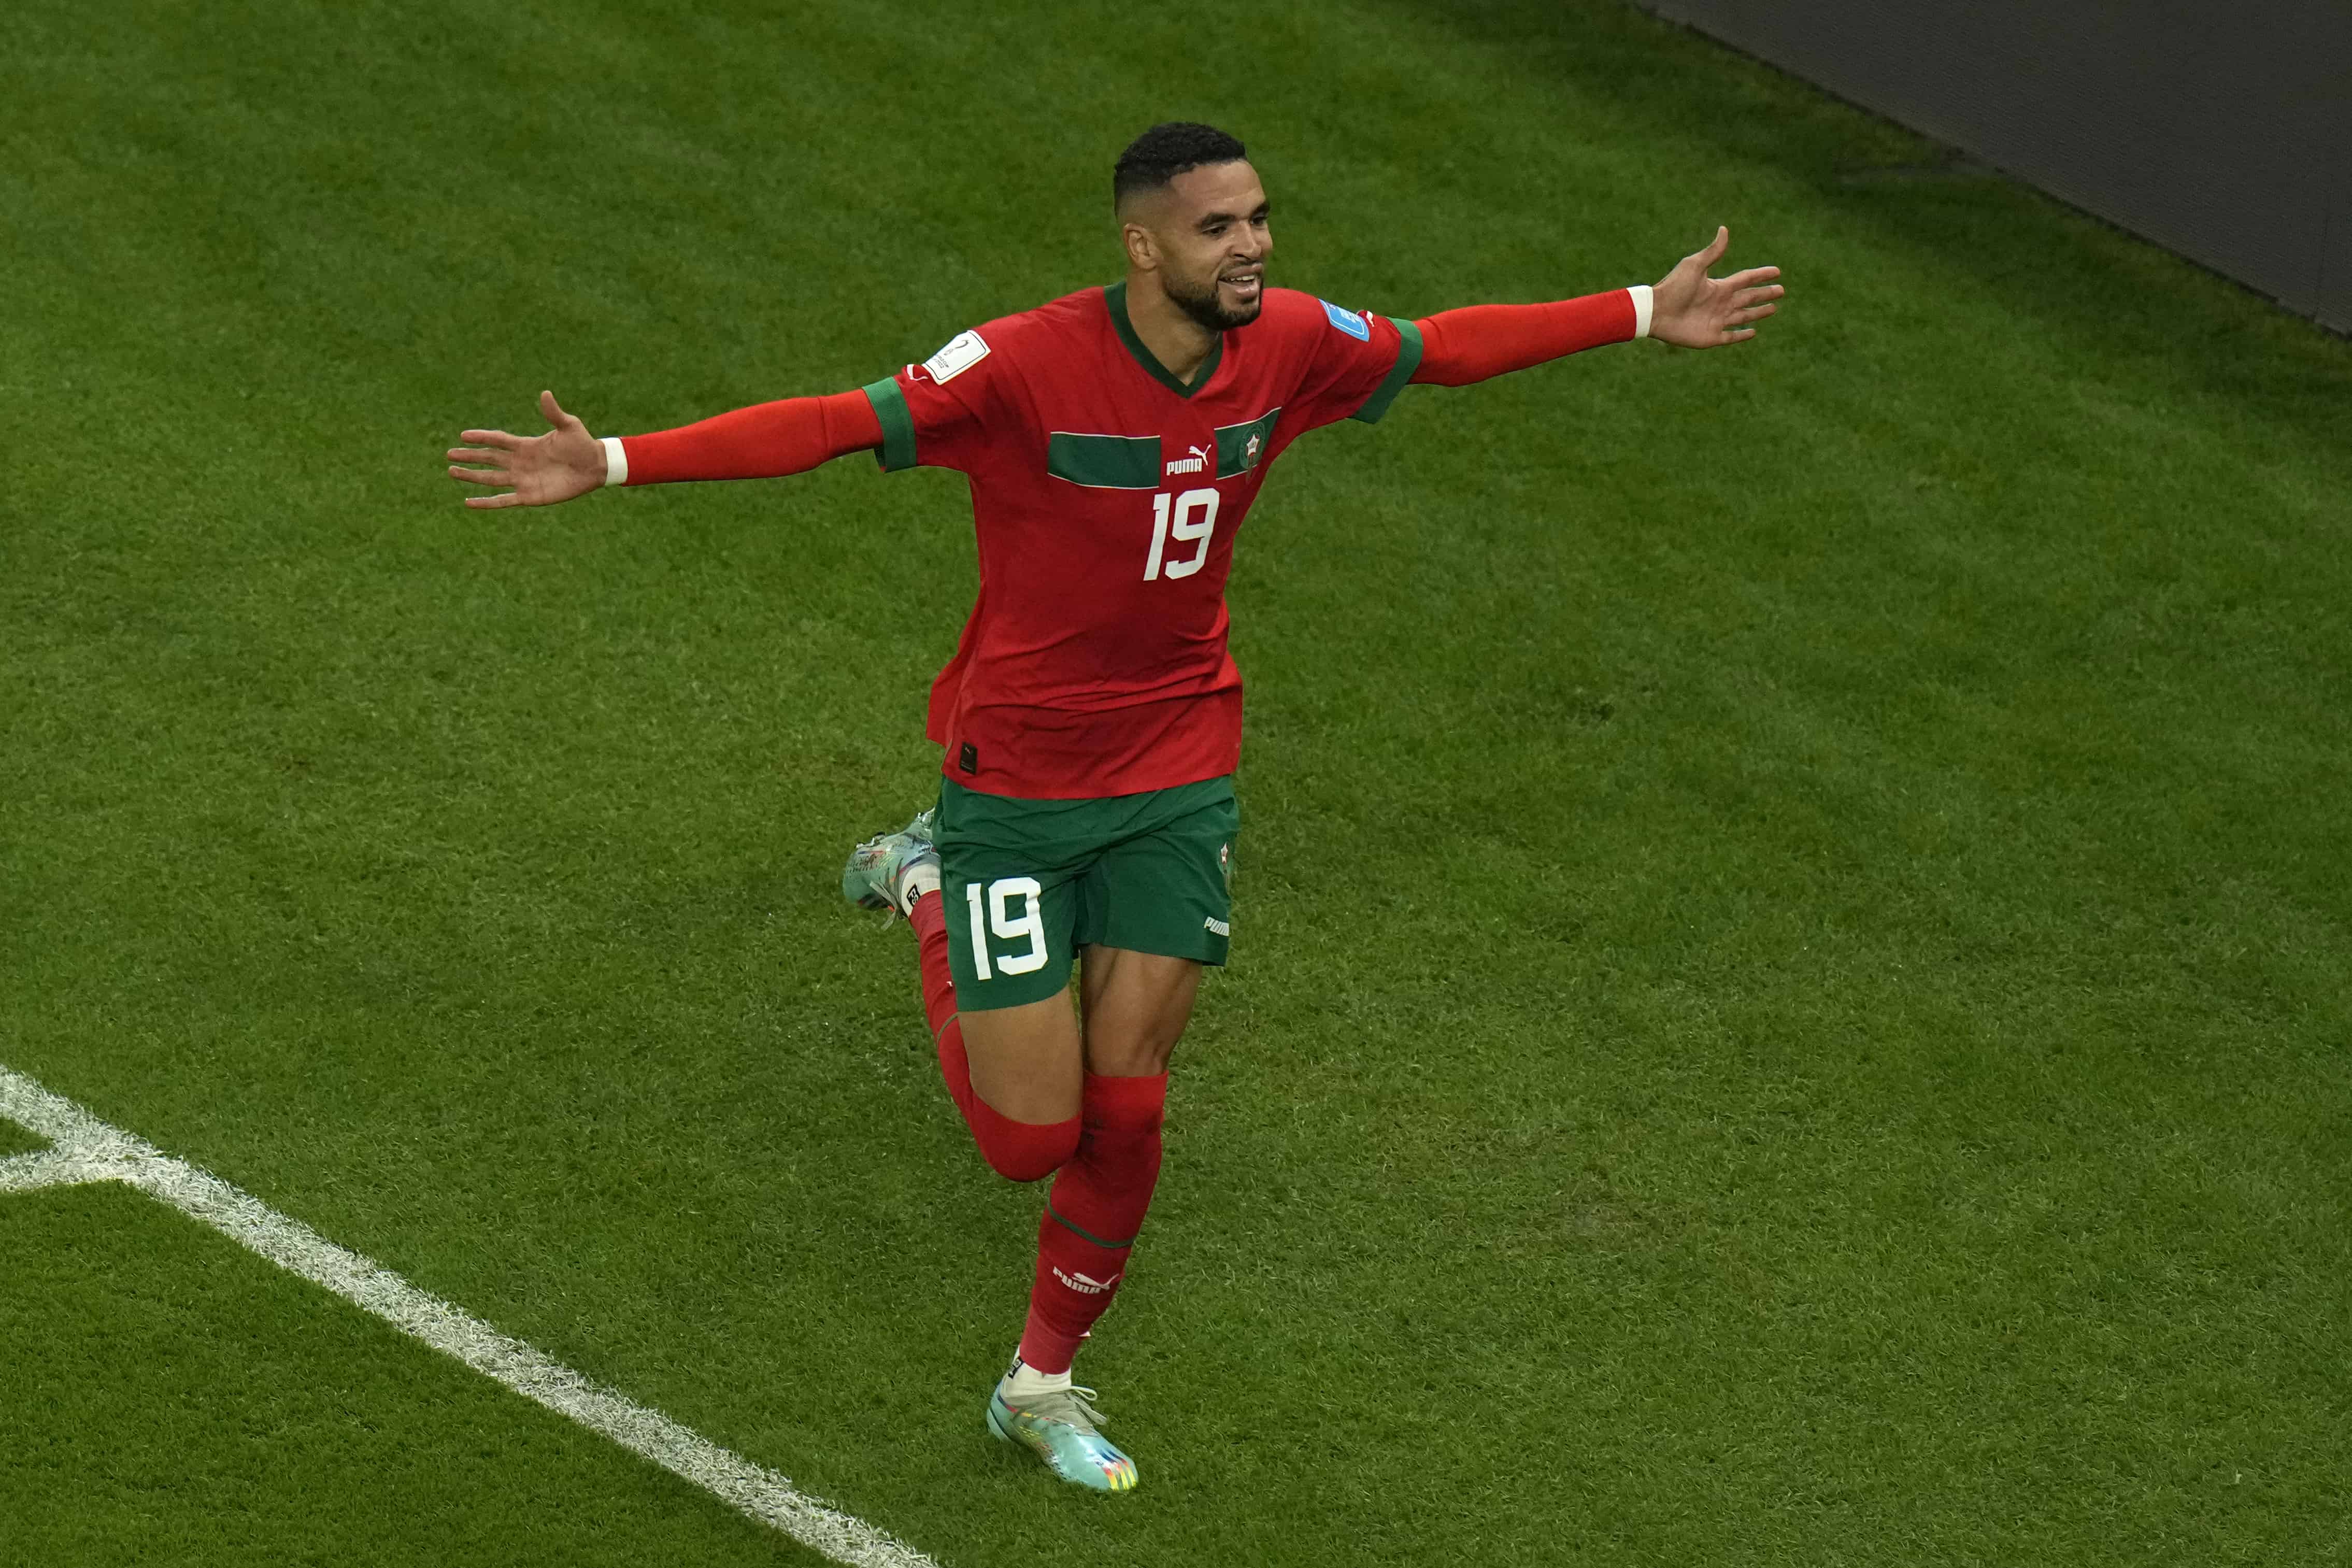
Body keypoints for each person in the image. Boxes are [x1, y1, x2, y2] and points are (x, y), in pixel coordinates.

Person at [448, 121, 1781, 1494]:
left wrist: (1637, 312)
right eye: (1219, 227)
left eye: (1259, 217)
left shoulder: (1297, 343)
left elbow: (1441, 345)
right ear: (1142, 246)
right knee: (1027, 1136)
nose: (1253, 244)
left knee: (1130, 1105)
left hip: (1175, 764)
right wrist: (612, 461)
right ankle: (920, 880)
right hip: (1016, 783)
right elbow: (838, 424)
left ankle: (1038, 1382)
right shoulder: (1021, 362)